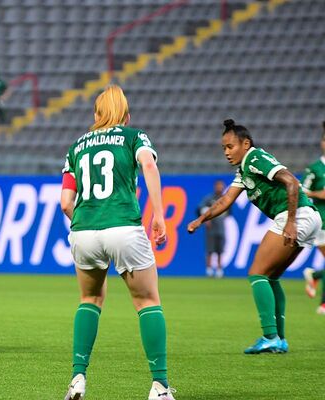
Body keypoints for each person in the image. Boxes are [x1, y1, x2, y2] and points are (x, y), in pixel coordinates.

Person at [60, 85, 174, 400]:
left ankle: (78, 378)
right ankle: (160, 387)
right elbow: (149, 165)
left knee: (90, 299)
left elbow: (66, 201)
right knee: (147, 302)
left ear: (96, 114)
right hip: (123, 226)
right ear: (125, 114)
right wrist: (159, 216)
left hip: (84, 230)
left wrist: (86, 224)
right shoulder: (133, 136)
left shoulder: (77, 145)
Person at [188, 119, 321, 354]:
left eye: (230, 146)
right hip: (307, 216)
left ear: (245, 143)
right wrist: (200, 220)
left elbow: (290, 181)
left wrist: (290, 222)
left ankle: (270, 336)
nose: (226, 153)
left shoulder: (255, 158)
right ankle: (279, 338)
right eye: (223, 148)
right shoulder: (244, 171)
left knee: (257, 273)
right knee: (271, 277)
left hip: (294, 215)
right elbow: (225, 201)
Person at [301, 121, 325, 314]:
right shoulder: (315, 168)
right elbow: (302, 191)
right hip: (322, 221)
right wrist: (319, 194)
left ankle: (315, 274)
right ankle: (323, 304)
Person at [196, 180, 228, 278]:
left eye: (221, 186)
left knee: (220, 250)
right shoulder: (209, 199)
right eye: (218, 186)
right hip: (211, 229)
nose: (220, 187)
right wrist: (205, 220)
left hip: (221, 228)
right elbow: (200, 208)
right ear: (215, 187)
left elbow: (228, 214)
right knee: (210, 249)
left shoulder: (225, 199)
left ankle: (219, 269)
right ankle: (209, 269)